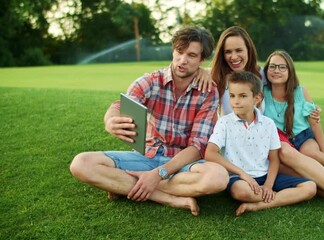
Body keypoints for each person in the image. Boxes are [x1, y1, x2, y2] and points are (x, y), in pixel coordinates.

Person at [210, 26, 324, 215]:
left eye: (239, 50)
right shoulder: (214, 78)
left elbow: (288, 83)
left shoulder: (261, 75)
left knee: (294, 161)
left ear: (249, 50)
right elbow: (191, 72)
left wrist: (311, 109)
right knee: (307, 177)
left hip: (265, 139)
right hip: (240, 149)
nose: (234, 56)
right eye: (228, 51)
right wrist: (201, 72)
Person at [69, 26, 229, 216]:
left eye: (192, 55)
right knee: (81, 164)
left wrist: (159, 174)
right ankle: (165, 196)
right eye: (179, 52)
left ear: (202, 60)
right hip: (146, 156)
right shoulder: (151, 80)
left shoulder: (208, 92)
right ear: (173, 50)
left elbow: (198, 147)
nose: (182, 60)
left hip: (181, 162)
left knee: (218, 178)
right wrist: (110, 119)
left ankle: (127, 185)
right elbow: (120, 105)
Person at [205, 71, 316, 216]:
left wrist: (269, 185)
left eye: (242, 96)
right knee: (241, 192)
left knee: (310, 187)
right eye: (232, 96)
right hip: (239, 178)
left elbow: (274, 159)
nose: (235, 101)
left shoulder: (268, 124)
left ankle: (259, 205)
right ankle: (280, 197)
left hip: (265, 175)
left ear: (257, 98)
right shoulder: (224, 123)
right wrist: (242, 174)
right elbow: (210, 153)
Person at [263, 50, 324, 188]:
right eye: (272, 66)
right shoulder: (262, 94)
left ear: (290, 71)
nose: (276, 70)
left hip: (303, 137)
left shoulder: (300, 92)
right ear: (267, 70)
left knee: (309, 152)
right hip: (282, 144)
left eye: (282, 67)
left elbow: (315, 124)